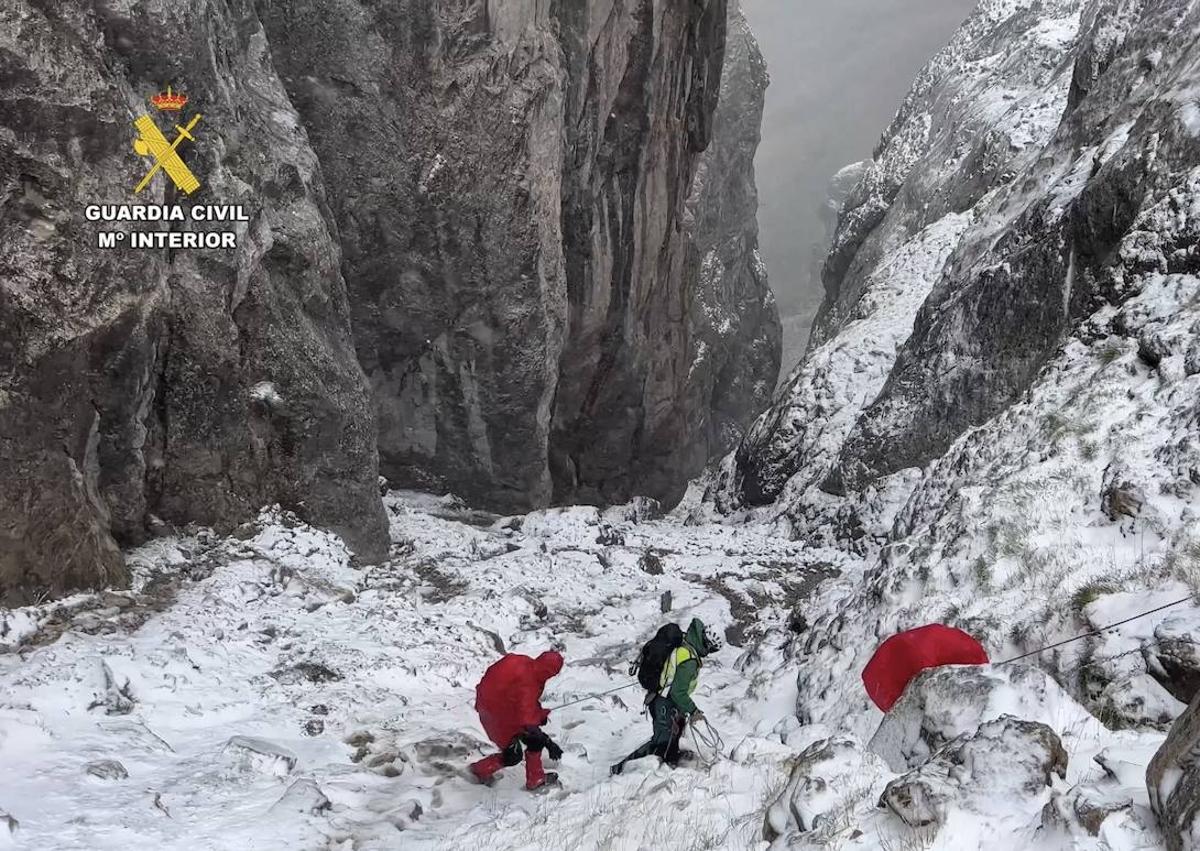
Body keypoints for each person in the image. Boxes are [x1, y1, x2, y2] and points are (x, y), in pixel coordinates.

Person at [610, 617, 721, 775]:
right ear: (709, 645)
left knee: (663, 743)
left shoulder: (686, 643)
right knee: (661, 745)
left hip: (660, 701)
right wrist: (694, 711)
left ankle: (626, 770)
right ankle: (621, 771)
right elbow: (678, 692)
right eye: (712, 650)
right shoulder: (689, 659)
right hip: (664, 704)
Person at [469, 650, 566, 791]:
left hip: (488, 704)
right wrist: (548, 743)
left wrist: (538, 714)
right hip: (498, 718)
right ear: (550, 672)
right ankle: (478, 771)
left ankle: (534, 777)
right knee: (515, 755)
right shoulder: (529, 684)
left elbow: (521, 701)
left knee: (531, 739)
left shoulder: (522, 661)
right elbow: (528, 721)